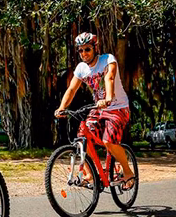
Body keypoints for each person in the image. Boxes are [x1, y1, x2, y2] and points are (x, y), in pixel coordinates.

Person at [54, 32, 135, 189]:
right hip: (98, 108)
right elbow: (71, 89)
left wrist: (109, 97)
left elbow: (109, 77)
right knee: (83, 138)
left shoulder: (107, 59)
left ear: (95, 48)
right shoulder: (81, 68)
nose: (84, 53)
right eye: (81, 50)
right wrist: (62, 107)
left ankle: (127, 171)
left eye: (87, 49)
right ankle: (91, 174)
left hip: (117, 107)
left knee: (108, 141)